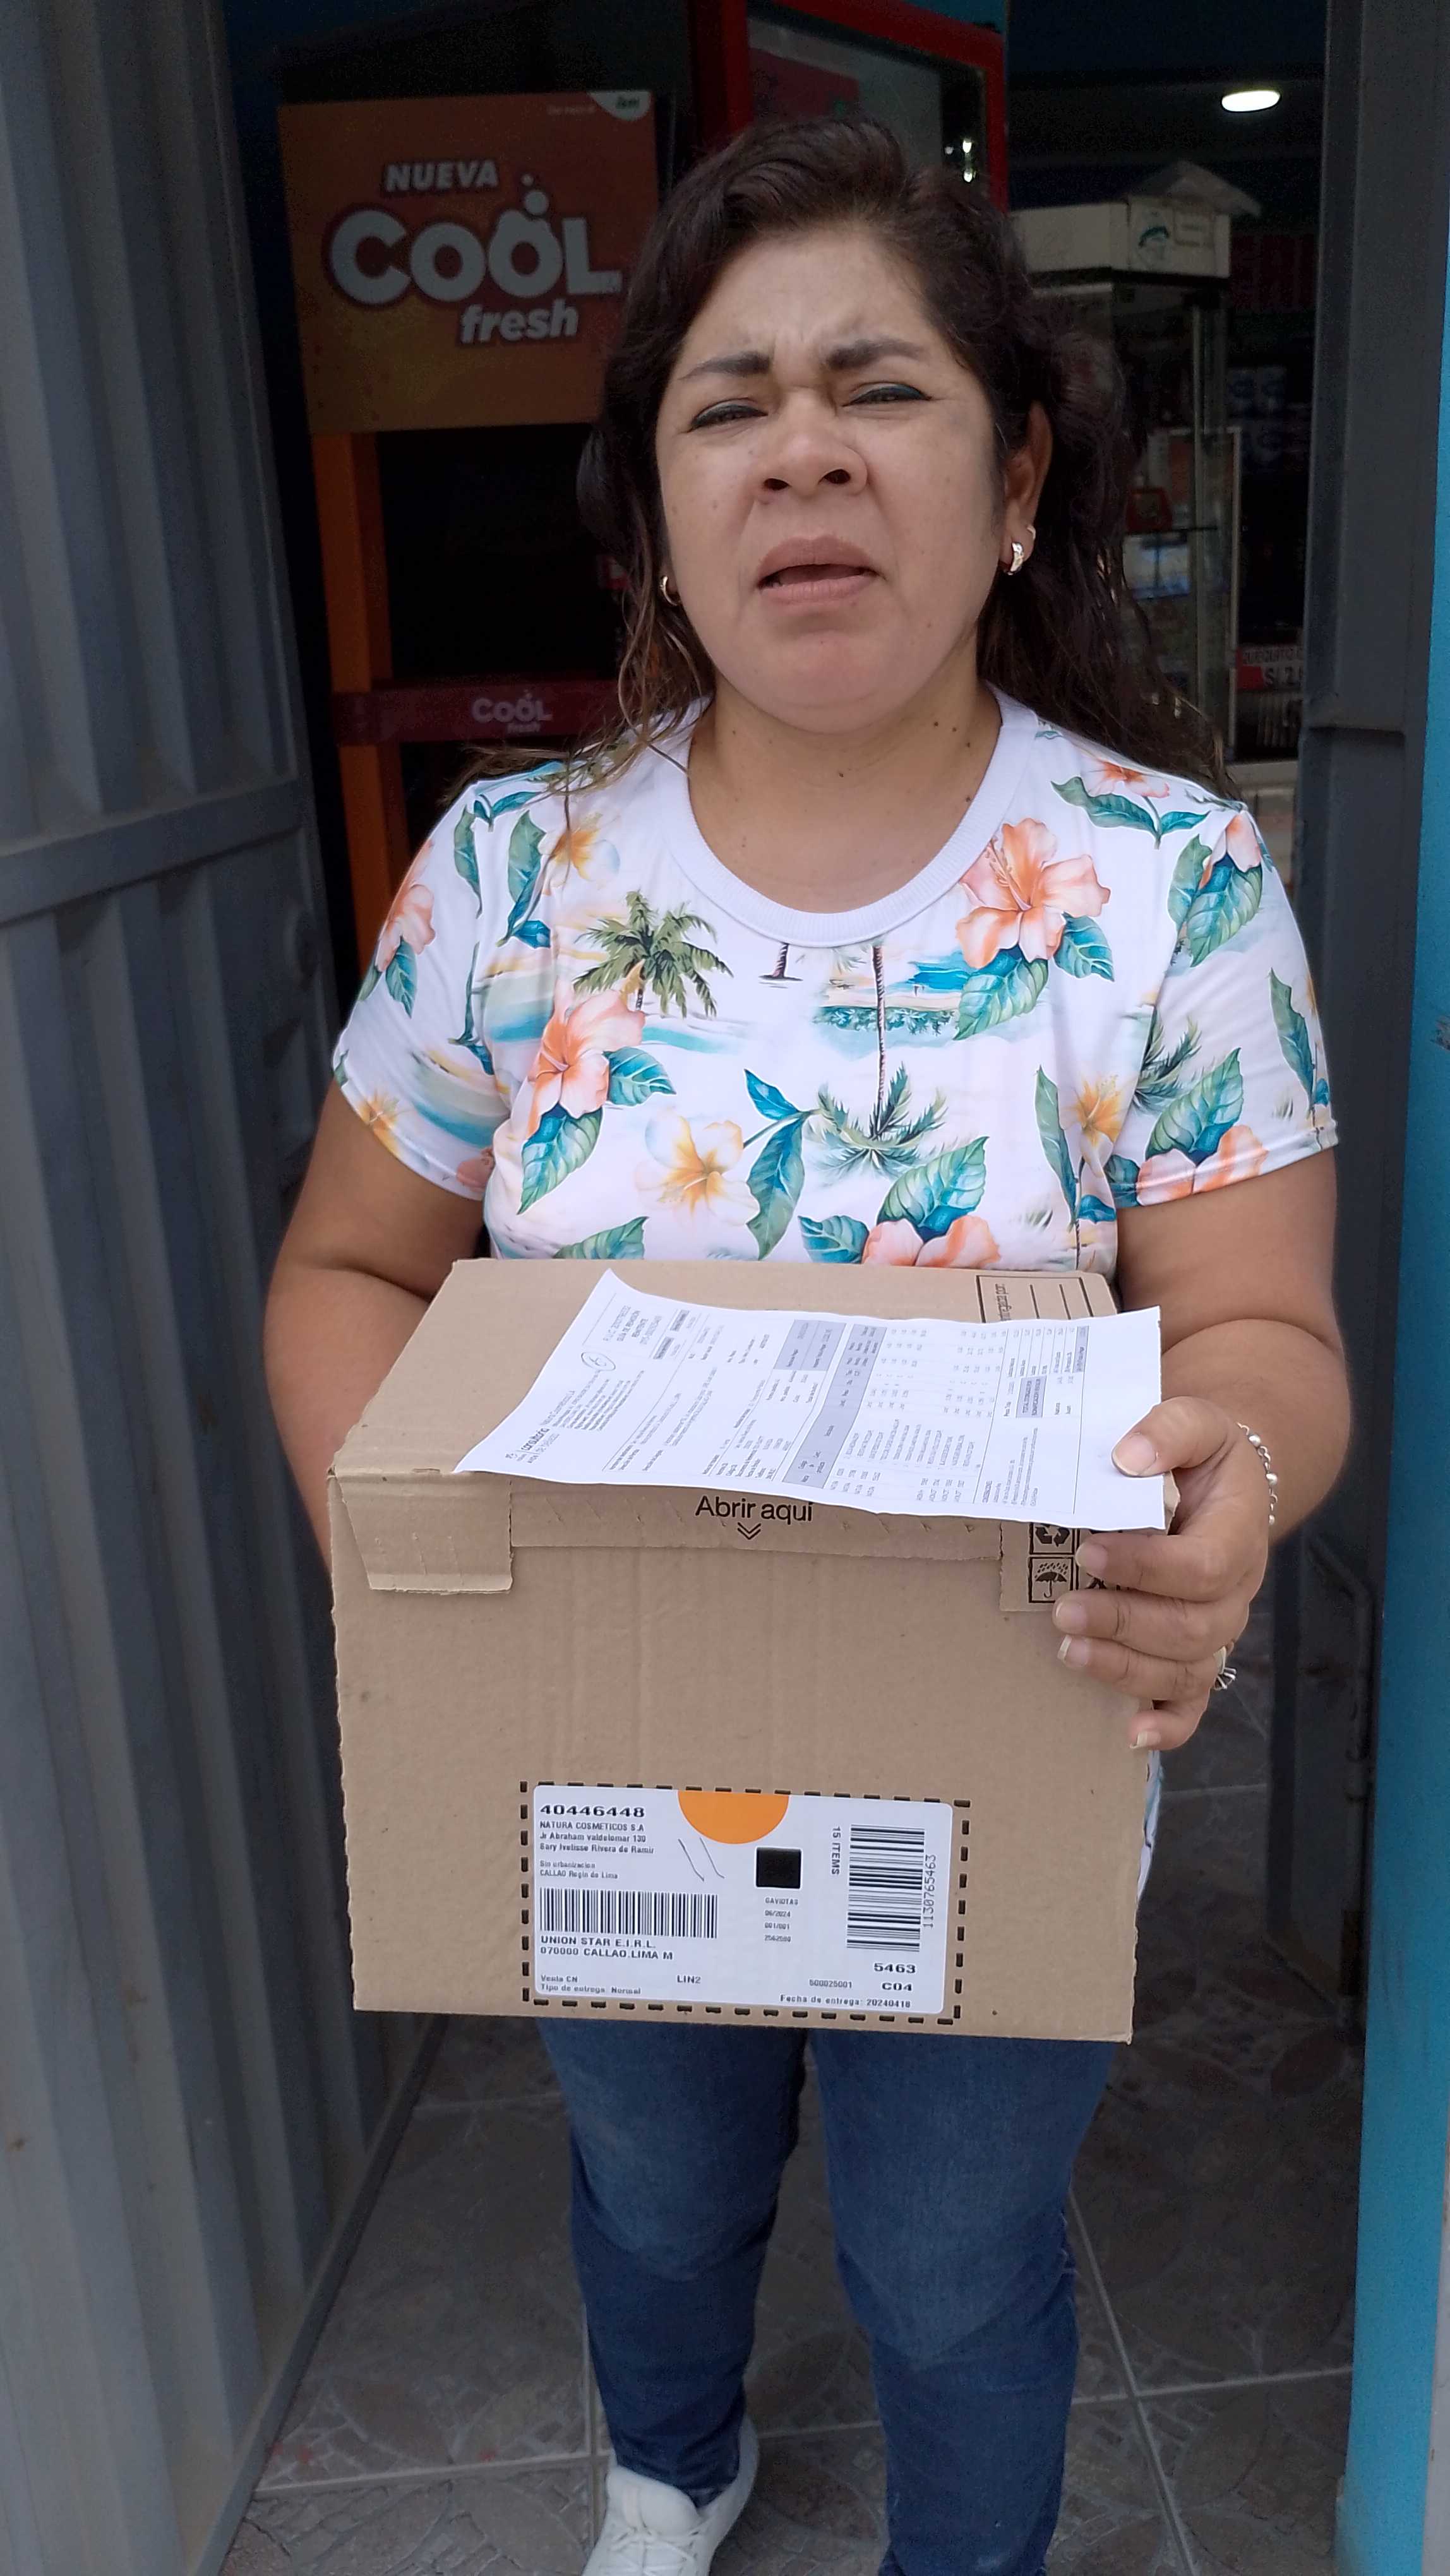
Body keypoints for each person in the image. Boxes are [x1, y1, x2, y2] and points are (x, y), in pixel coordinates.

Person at [266, 117, 1349, 2576]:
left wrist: (1240, 1482)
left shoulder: (1165, 890)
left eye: (879, 387)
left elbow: (1261, 1327)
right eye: (729, 405)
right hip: (597, 1733)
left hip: (997, 1740)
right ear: (654, 520)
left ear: (1017, 476)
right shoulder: (516, 878)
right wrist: (414, 1582)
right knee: (655, 2186)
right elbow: (348, 1273)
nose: (806, 452)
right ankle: (674, 2465)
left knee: (954, 2260)